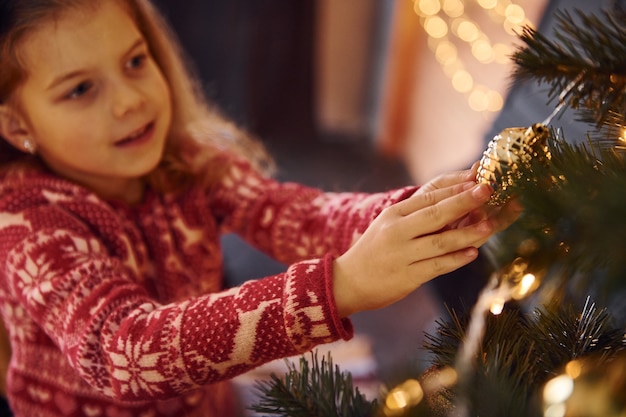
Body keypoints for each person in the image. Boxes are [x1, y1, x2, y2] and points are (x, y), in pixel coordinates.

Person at [0, 0, 519, 416]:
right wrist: (339, 287)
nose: (129, 101)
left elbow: (299, 215)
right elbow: (125, 352)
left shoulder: (186, 161)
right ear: (18, 127)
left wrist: (429, 208)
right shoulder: (25, 226)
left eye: (136, 62)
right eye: (81, 90)